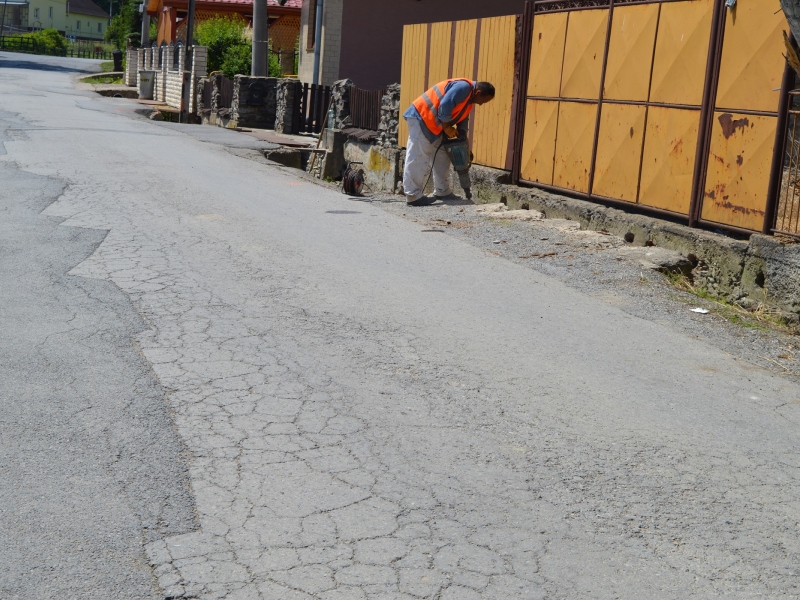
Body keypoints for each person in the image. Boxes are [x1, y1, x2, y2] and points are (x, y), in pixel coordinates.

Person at [402, 79, 495, 206]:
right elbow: (445, 105)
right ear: (478, 93)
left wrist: (462, 133)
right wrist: (447, 128)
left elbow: (462, 116)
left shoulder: (469, 100)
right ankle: (413, 195)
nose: (481, 104)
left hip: (434, 124)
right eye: (483, 101)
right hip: (422, 117)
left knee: (442, 155)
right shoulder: (463, 88)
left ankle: (442, 191)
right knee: (418, 155)